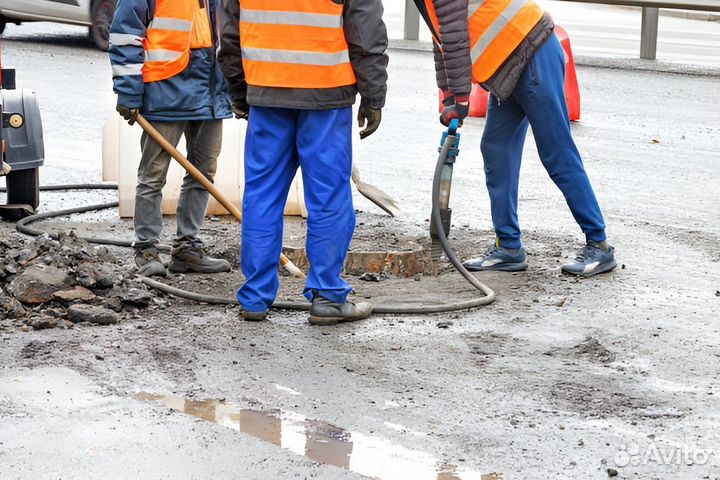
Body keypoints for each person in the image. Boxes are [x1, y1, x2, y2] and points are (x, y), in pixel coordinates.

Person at [413, 0, 616, 276]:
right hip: (507, 67)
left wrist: (461, 99)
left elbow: (455, 38)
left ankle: (599, 244)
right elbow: (442, 44)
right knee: (496, 149)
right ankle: (508, 247)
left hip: (532, 52)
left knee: (556, 152)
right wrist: (449, 97)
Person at [219, 0, 388, 324]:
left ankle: (255, 297)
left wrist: (239, 88)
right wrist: (373, 94)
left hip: (267, 91)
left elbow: (229, 30)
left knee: (263, 195)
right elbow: (365, 26)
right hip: (326, 93)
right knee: (328, 198)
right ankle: (327, 295)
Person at [109, 0, 233, 277]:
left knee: (203, 174)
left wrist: (236, 86)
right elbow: (125, 34)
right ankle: (147, 249)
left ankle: (187, 248)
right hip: (166, 89)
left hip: (210, 92)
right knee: (153, 174)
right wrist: (128, 92)